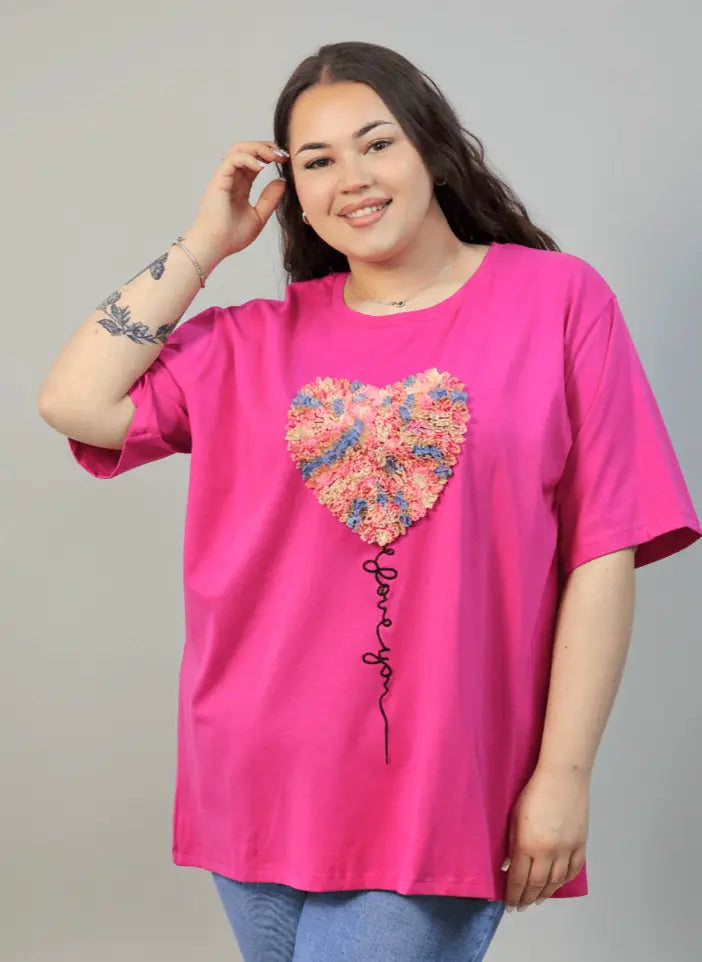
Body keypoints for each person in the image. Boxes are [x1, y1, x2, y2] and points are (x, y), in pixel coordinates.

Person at [37, 40, 701, 962]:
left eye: (377, 143)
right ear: (294, 193)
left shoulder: (557, 302)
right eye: (317, 161)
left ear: (433, 149)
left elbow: (603, 550)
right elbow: (74, 400)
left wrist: (563, 774)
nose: (352, 177)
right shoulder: (250, 343)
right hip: (260, 773)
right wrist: (205, 245)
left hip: (442, 781)